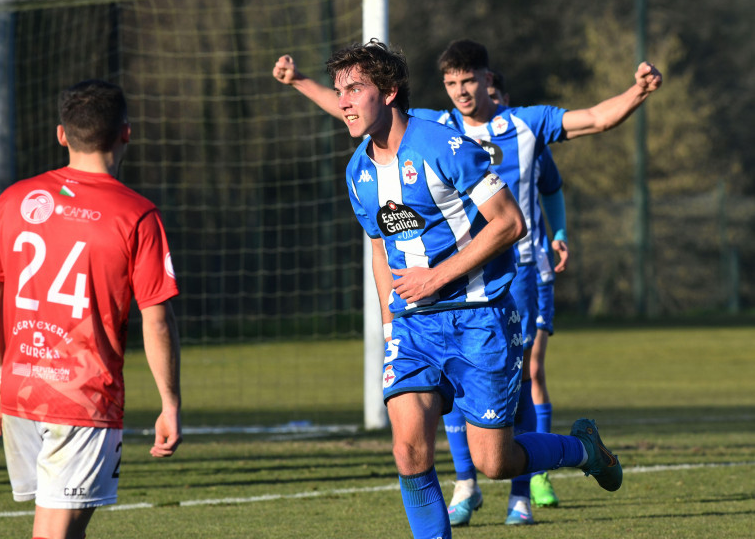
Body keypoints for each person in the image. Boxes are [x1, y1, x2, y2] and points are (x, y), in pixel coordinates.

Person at [273, 39, 659, 528]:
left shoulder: (444, 146)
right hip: (414, 328)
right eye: (338, 91)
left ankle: (582, 450)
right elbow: (378, 249)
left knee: (495, 462)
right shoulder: (358, 171)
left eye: (354, 90)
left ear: (389, 92)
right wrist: (390, 324)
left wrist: (436, 276)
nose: (343, 100)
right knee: (408, 450)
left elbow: (510, 222)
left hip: (481, 317)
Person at [0, 79, 182, 539]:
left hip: (21, 391)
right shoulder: (137, 215)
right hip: (81, 398)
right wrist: (170, 403)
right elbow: (157, 318)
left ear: (62, 135)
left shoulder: (14, 199)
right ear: (126, 132)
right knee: (55, 533)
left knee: (63, 526)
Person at [490, 69, 570, 509]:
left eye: (497, 96)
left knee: (532, 370)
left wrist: (559, 233)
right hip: (491, 272)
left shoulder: (529, 143)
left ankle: (536, 476)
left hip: (533, 269)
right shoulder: (463, 147)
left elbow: (553, 189)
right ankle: (472, 482)